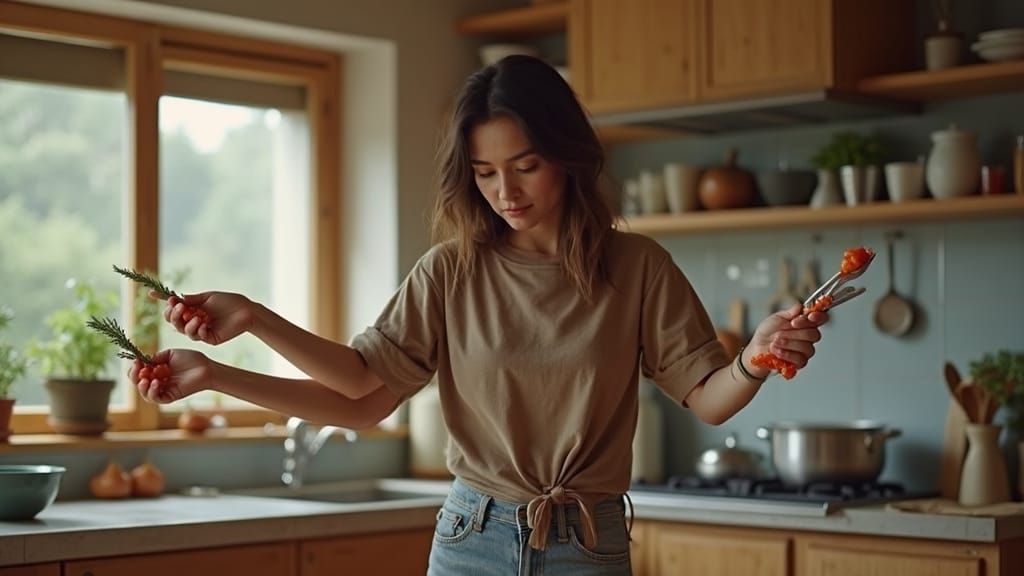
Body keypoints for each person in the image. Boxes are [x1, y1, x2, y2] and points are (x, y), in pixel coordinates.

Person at [130, 55, 829, 575]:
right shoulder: (451, 271)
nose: (505, 191)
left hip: (587, 543)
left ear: (566, 157)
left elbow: (709, 398)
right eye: (485, 172)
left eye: (525, 166)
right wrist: (239, 339)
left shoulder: (637, 266)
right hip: (472, 538)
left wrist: (755, 358)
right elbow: (361, 391)